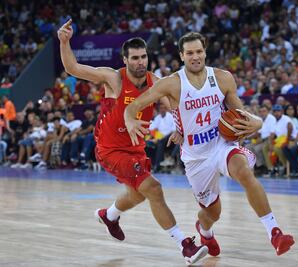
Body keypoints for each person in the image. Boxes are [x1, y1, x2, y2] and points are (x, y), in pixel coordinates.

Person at [125, 32, 295, 257]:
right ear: (181, 56)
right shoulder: (172, 83)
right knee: (212, 213)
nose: (195, 57)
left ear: (205, 52)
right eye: (189, 53)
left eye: (198, 51)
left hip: (221, 144)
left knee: (243, 171)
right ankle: (205, 231)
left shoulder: (223, 78)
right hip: (196, 156)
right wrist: (130, 120)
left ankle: (274, 232)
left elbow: (241, 114)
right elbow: (133, 106)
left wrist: (257, 122)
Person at [58, 20, 207, 265]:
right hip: (110, 149)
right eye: (135, 58)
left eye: (143, 57)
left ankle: (110, 215)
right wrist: (65, 42)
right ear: (125, 61)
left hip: (135, 148)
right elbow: (73, 67)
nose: (140, 62)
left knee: (138, 195)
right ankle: (185, 246)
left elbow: (176, 108)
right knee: (154, 189)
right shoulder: (113, 79)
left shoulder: (156, 82)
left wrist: (181, 129)